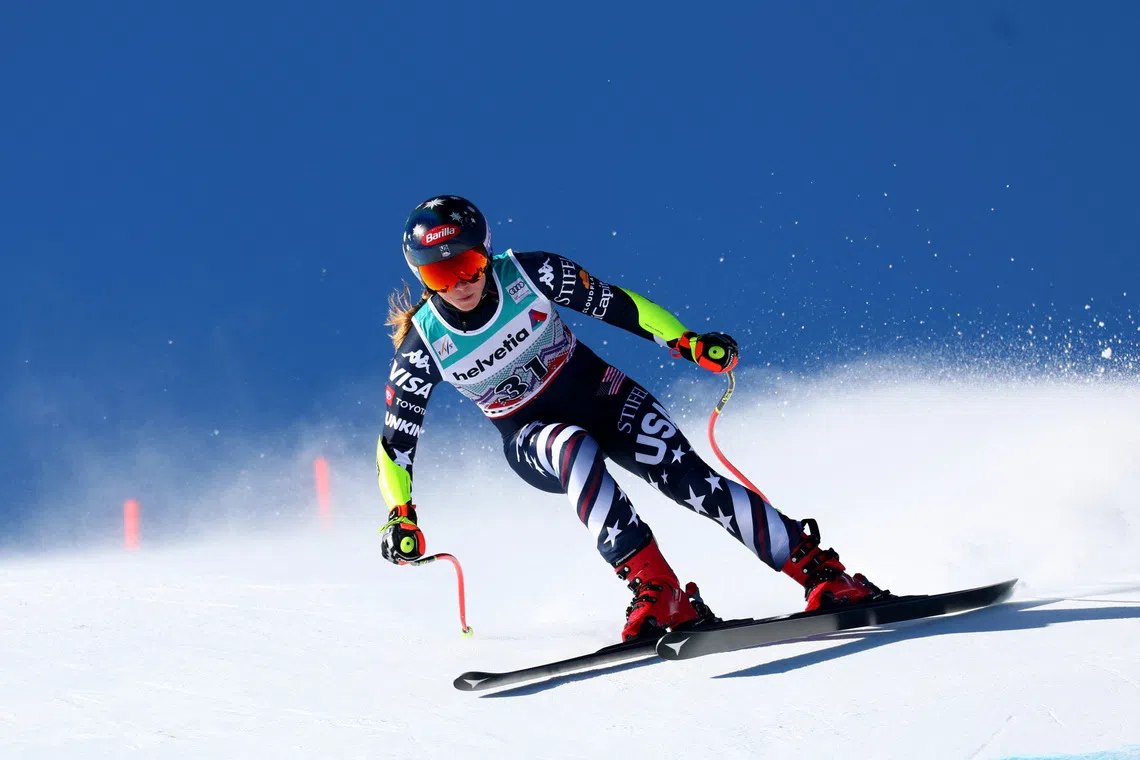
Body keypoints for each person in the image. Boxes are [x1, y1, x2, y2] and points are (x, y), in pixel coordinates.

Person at [378, 195, 887, 642]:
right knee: (570, 446)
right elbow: (395, 442)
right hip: (532, 438)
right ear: (422, 278)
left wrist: (685, 340)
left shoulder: (531, 275)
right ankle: (659, 592)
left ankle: (821, 571)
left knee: (691, 480)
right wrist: (400, 512)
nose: (459, 283)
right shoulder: (422, 347)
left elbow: (618, 305)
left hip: (603, 397)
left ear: (485, 251)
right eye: (439, 274)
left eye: (467, 263)